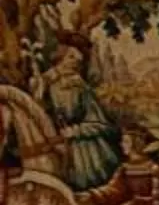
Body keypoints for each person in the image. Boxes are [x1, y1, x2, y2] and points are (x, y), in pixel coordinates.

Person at [38, 39, 120, 195]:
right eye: (71, 57)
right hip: (52, 140)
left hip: (86, 150)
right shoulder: (43, 82)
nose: (75, 63)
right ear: (59, 58)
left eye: (78, 60)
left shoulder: (80, 87)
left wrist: (74, 132)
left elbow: (100, 123)